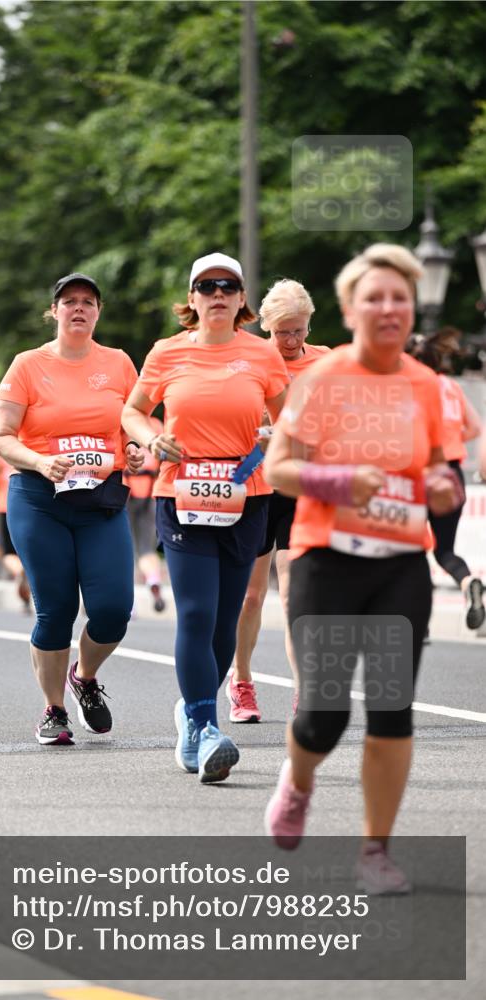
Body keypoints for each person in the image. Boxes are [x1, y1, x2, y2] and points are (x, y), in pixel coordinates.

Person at [263, 243, 464, 893]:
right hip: (326, 559)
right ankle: (297, 782)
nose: (387, 307)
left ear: (409, 311)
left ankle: (374, 849)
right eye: (373, 297)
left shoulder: (426, 387)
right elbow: (279, 469)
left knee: (390, 709)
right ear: (349, 309)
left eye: (398, 297)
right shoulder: (320, 380)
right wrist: (339, 478)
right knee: (323, 714)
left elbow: (443, 472)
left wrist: (441, 491)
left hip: (399, 565)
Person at [122, 252, 289, 783]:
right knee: (195, 612)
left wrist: (257, 462)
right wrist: (152, 439)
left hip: (246, 497)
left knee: (226, 620)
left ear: (242, 301)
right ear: (191, 300)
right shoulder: (166, 353)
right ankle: (205, 724)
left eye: (229, 286)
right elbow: (132, 411)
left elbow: (289, 427)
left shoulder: (262, 355)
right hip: (182, 493)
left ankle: (193, 717)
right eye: (206, 286)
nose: (218, 294)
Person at [0, 272, 144, 747]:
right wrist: (40, 461)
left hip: (101, 501)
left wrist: (136, 449)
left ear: (98, 312)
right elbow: (0, 437)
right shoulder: (27, 365)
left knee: (115, 610)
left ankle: (85, 675)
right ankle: (55, 710)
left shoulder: (118, 364)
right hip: (39, 500)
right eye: (69, 301)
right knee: (55, 611)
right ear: (54, 311)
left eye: (88, 302)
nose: (78, 308)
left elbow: (133, 425)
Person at [230, 279, 330, 723]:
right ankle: (242, 681)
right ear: (265, 327)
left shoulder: (327, 362)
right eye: (282, 332)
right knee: (251, 595)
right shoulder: (246, 359)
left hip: (298, 486)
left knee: (294, 593)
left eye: (299, 331)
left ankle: (304, 690)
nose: (291, 341)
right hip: (254, 480)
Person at [406, 336, 484, 629]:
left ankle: (419, 620)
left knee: (411, 548)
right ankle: (467, 582)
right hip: (454, 474)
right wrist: (452, 441)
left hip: (423, 471)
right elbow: (475, 427)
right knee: (444, 549)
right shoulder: (451, 387)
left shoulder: (414, 386)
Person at [123, 415, 166, 614]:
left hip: (125, 491)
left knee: (125, 550)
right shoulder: (157, 425)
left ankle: (128, 603)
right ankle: (153, 581)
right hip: (150, 492)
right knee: (146, 549)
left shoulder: (124, 421)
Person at [0, 452, 31, 611]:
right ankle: (27, 571)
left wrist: (2, 482)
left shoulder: (3, 448)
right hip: (30, 502)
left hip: (6, 504)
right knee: (30, 550)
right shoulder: (29, 443)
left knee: (8, 552)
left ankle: (19, 570)